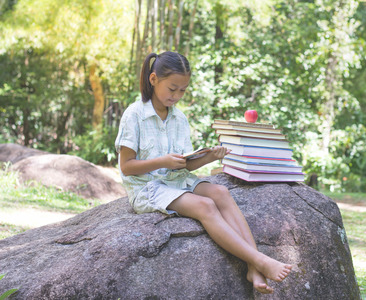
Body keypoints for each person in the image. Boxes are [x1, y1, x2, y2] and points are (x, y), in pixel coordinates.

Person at [115, 51, 292, 294]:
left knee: (220, 192)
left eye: (183, 91)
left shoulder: (179, 119)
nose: (177, 96)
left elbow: (185, 165)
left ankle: (253, 267)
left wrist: (209, 156)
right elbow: (126, 166)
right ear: (153, 79)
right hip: (148, 187)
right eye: (172, 88)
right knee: (205, 207)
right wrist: (162, 161)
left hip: (177, 180)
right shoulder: (134, 115)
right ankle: (260, 260)